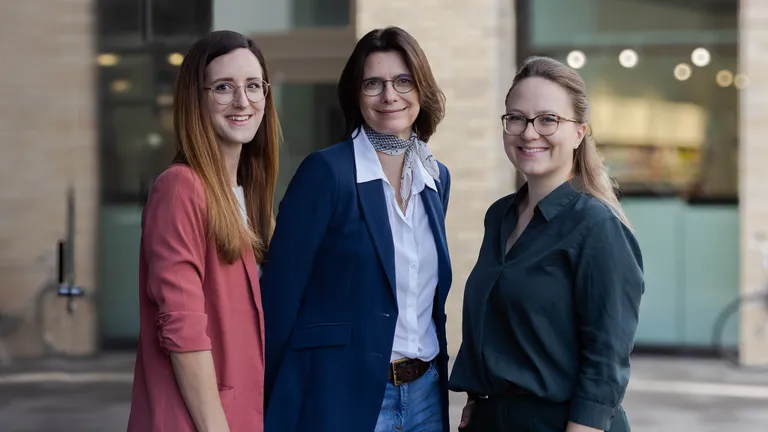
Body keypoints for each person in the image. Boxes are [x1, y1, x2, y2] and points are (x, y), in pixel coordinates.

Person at [260, 26, 452, 432]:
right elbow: (280, 297)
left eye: (403, 81)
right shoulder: (326, 173)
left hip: (426, 395)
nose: (389, 95)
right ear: (355, 94)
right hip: (343, 396)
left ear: (421, 89)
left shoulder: (436, 178)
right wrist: (269, 402)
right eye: (373, 83)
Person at [448, 56, 644, 432]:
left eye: (548, 119)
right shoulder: (500, 216)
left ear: (579, 132)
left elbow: (606, 360)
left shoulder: (597, 226)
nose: (529, 132)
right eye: (517, 118)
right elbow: (497, 318)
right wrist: (478, 397)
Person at [127, 30, 280, 432]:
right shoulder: (180, 188)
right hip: (197, 422)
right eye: (224, 87)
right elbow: (183, 328)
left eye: (253, 86)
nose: (242, 101)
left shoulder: (246, 197)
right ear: (197, 99)